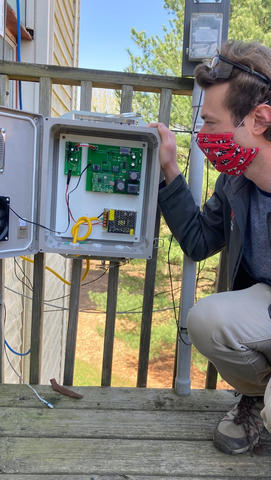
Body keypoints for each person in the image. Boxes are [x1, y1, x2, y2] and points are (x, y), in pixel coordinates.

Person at [152, 40, 271, 455]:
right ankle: (257, 397)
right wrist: (169, 167)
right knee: (205, 319)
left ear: (258, 119)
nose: (203, 138)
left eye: (212, 123)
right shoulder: (235, 181)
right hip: (265, 303)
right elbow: (200, 240)